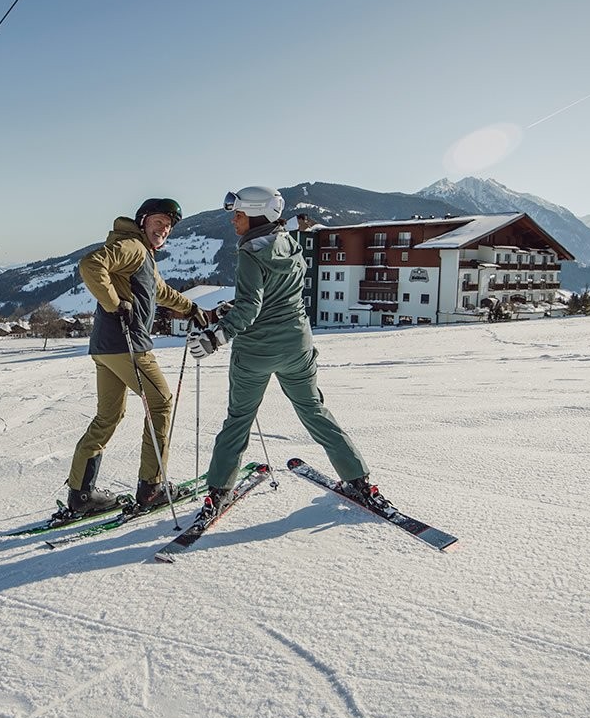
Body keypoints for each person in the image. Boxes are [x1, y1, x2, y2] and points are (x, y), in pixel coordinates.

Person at [186, 186, 395, 519]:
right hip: (297, 346)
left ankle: (218, 491)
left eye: (238, 214)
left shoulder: (250, 256)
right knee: (314, 411)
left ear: (255, 216)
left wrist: (214, 338)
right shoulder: (291, 245)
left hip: (255, 352)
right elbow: (276, 296)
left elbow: (252, 308)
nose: (234, 221)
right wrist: (235, 307)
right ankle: (358, 479)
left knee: (239, 420)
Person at [62, 197, 213, 519]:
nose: (164, 229)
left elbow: (161, 291)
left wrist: (193, 309)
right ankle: (152, 487)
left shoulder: (143, 255)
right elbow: (91, 265)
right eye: (159, 221)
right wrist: (115, 303)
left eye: (169, 226)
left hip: (105, 348)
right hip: (127, 344)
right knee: (160, 403)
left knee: (108, 417)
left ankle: (81, 494)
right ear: (143, 220)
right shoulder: (132, 246)